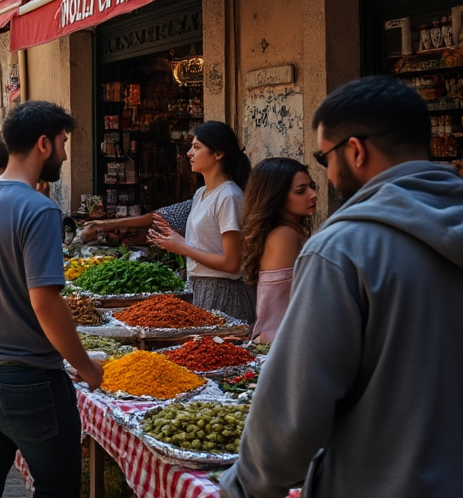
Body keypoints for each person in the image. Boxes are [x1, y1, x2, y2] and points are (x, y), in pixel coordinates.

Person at [219, 76, 463, 498]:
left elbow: (292, 416)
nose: (326, 176)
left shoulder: (342, 249)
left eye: (323, 157)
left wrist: (247, 486)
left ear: (355, 150)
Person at [0, 102, 102, 497]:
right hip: (29, 379)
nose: (64, 153)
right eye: (62, 143)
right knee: (56, 488)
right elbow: (45, 303)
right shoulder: (40, 209)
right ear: (43, 144)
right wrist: (87, 367)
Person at [147, 121, 254, 322]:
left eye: (196, 147)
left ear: (219, 153)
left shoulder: (229, 197)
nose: (189, 153)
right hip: (200, 288)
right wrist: (176, 241)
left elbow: (232, 263)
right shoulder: (201, 193)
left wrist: (182, 247)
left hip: (224, 293)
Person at [238, 158, 317, 344]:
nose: (312, 195)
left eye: (312, 187)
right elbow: (281, 304)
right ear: (276, 196)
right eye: (301, 191)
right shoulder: (284, 236)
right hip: (285, 342)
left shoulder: (294, 231)